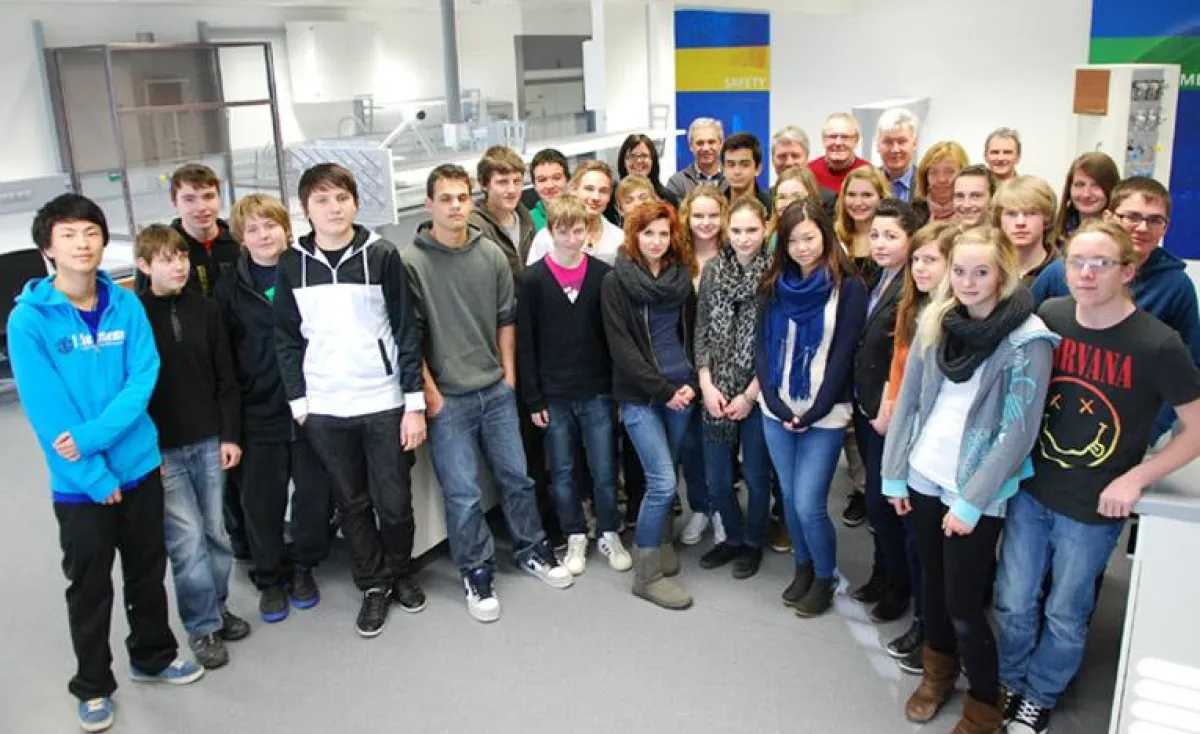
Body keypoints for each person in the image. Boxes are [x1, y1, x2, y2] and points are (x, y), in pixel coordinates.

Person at [996, 221, 1200, 734]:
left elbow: (1196, 427)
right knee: (1013, 598)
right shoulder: (1052, 315)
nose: (1086, 273)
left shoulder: (1158, 344)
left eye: (1101, 264)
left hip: (1093, 507)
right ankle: (1009, 680)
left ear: (1127, 271)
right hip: (1032, 488)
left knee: (1066, 611)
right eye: (1077, 262)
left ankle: (1039, 695)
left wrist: (1138, 478)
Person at [11, 194, 204, 733]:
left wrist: (94, 439)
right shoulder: (29, 321)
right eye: (69, 234)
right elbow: (48, 412)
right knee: (90, 585)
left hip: (139, 465)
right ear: (48, 247)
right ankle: (93, 684)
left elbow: (142, 379)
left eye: (91, 232)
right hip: (80, 484)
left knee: (147, 572)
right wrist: (94, 475)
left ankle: (153, 656)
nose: (83, 244)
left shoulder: (126, 304)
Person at [880, 227, 1057, 732]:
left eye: (981, 272)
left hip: (974, 488)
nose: (968, 281)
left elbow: (1018, 434)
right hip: (924, 473)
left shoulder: (1028, 338)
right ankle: (937, 675)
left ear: (1002, 273)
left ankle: (983, 702)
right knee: (932, 587)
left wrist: (973, 501)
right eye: (959, 271)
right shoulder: (937, 319)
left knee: (963, 602)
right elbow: (909, 401)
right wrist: (894, 475)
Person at [407, 164, 573, 623]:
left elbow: (506, 321)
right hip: (448, 399)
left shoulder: (491, 256)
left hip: (495, 390)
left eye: (462, 197)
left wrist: (509, 380)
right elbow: (409, 337)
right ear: (429, 204)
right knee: (463, 493)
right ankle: (476, 571)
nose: (455, 206)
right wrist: (431, 394)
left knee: (518, 478)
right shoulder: (411, 263)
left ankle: (532, 548)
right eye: (446, 198)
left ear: (471, 199)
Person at [275, 163, 428, 638]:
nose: (334, 208)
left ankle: (400, 571)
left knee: (394, 503)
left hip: (382, 401)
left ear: (356, 203)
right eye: (322, 200)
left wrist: (414, 404)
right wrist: (300, 404)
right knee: (352, 503)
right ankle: (373, 585)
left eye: (341, 197)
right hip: (325, 408)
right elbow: (286, 338)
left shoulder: (381, 254)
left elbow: (406, 330)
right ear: (306, 209)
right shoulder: (292, 263)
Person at [135, 224, 249, 670]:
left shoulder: (206, 309)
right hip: (163, 451)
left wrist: (229, 435)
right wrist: (146, 453)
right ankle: (202, 626)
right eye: (166, 260)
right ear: (144, 266)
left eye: (181, 257)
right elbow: (132, 391)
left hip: (208, 441)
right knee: (186, 541)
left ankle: (217, 608)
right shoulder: (135, 316)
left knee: (217, 533)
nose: (178, 266)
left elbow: (226, 378)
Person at [218, 193, 333, 624]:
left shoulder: (308, 271)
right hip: (258, 410)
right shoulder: (230, 288)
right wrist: (230, 426)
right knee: (261, 502)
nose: (264, 235)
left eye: (270, 225)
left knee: (314, 496)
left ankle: (303, 567)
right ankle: (269, 578)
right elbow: (224, 360)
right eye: (253, 229)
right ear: (241, 239)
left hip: (311, 404)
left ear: (287, 229)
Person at [757, 199, 868, 617]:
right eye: (792, 241)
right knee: (788, 498)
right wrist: (773, 401)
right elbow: (761, 347)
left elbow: (843, 355)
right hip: (777, 410)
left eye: (809, 238)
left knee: (808, 503)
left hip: (825, 412)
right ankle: (803, 567)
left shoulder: (849, 287)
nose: (801, 248)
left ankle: (824, 576)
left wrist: (816, 410)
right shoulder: (773, 284)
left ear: (825, 234)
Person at [1031, 176, 1200, 438]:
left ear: (1166, 227)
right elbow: (1024, 337)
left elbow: (1189, 365)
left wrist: (1151, 429)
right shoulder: (1062, 272)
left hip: (1132, 431)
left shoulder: (1177, 286)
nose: (1142, 227)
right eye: (1132, 216)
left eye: (1154, 220)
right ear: (1109, 217)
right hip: (1054, 420)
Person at [517, 195, 632, 576]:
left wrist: (616, 389)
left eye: (578, 231)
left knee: (604, 467)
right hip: (554, 395)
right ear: (550, 232)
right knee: (563, 471)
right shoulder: (532, 280)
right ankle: (575, 533)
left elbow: (612, 337)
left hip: (597, 390)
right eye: (563, 231)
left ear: (588, 232)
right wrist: (533, 399)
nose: (571, 239)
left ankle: (609, 530)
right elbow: (525, 344)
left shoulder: (602, 276)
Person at [601, 200, 699, 610]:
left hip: (682, 390)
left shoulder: (681, 276)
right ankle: (646, 576)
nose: (656, 241)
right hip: (642, 395)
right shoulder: (616, 281)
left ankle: (661, 540)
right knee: (660, 481)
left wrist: (691, 382)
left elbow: (692, 333)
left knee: (669, 469)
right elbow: (622, 348)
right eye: (647, 233)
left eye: (663, 233)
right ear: (634, 235)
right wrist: (665, 390)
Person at [880, 221, 955, 674]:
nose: (921, 268)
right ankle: (923, 623)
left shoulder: (954, 319)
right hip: (907, 444)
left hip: (938, 452)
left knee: (935, 556)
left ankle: (935, 636)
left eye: (932, 260)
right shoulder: (913, 308)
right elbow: (899, 373)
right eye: (917, 260)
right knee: (916, 545)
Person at [694, 197, 774, 579]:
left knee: (756, 475)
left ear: (766, 229)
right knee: (717, 478)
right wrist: (706, 384)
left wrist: (750, 394)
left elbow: (775, 343)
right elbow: (701, 329)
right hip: (717, 386)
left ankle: (753, 543)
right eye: (737, 230)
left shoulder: (776, 273)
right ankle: (733, 537)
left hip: (757, 391)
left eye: (752, 230)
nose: (743, 238)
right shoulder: (713, 270)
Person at [849, 199, 920, 625]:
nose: (879, 243)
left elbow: (905, 354)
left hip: (889, 412)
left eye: (891, 236)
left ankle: (900, 584)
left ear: (912, 239)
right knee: (877, 505)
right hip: (866, 404)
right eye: (875, 235)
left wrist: (888, 403)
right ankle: (882, 572)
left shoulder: (914, 287)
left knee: (886, 501)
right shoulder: (875, 277)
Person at [676, 184, 726, 546]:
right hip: (683, 367)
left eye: (713, 215)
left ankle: (722, 509)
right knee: (690, 445)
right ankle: (700, 507)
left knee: (717, 447)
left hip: (722, 368)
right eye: (698, 216)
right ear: (687, 218)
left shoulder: (732, 255)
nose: (706, 222)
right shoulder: (677, 258)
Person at [134, 163, 240, 298]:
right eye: (189, 199)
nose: (201, 207)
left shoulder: (240, 242)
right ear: (175, 202)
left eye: (208, 196)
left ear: (219, 198)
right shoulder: (158, 249)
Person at [526, 161, 625, 266]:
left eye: (603, 191)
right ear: (573, 189)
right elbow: (533, 274)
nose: (596, 197)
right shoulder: (546, 237)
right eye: (589, 189)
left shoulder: (619, 239)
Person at [469, 145, 535, 278]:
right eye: (502, 182)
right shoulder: (474, 226)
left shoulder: (525, 217)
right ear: (484, 184)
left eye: (517, 181)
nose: (512, 190)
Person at [991, 175, 1059, 285]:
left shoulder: (1063, 271)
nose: (1020, 222)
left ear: (1046, 218)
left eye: (1030, 213)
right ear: (999, 219)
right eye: (1011, 214)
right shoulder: (986, 267)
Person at [1051, 152, 1120, 247]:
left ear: (1112, 188)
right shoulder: (1052, 235)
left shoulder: (1123, 238)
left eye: (1096, 185)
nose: (1086, 194)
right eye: (1080, 184)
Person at [835, 166, 893, 276]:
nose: (858, 203)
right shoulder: (834, 238)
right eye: (851, 195)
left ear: (881, 197)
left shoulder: (893, 240)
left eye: (867, 195)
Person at [771, 125, 837, 214]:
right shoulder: (764, 199)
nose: (789, 162)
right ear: (772, 159)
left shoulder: (829, 200)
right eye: (782, 156)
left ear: (807, 157)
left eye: (795, 156)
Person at [807, 112, 870, 196]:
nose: (838, 143)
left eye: (845, 137)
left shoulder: (869, 173)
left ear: (856, 140)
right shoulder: (809, 172)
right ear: (823, 140)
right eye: (832, 136)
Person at [666, 118, 726, 200]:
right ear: (691, 146)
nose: (706, 148)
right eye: (700, 143)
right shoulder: (677, 183)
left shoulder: (733, 179)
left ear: (721, 143)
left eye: (711, 142)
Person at [913, 141, 970, 224]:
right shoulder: (912, 214)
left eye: (949, 172)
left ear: (964, 174)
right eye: (934, 172)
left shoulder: (975, 213)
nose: (941, 179)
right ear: (925, 177)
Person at [875, 108, 920, 202]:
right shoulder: (866, 182)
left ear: (914, 144)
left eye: (901, 141)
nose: (895, 149)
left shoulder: (927, 183)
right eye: (888, 142)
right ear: (877, 145)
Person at [721, 132, 773, 212]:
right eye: (731, 165)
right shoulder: (715, 206)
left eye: (745, 165)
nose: (737, 171)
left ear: (758, 169)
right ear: (723, 169)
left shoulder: (771, 207)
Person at [618, 133, 675, 204]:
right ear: (623, 161)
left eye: (644, 155)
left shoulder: (668, 199)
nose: (638, 161)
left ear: (653, 160)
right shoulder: (613, 198)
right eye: (632, 156)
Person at [527, 148, 570, 232]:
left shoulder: (584, 211)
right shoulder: (527, 222)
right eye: (542, 180)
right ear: (534, 185)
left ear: (567, 179)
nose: (550, 185)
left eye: (556, 178)